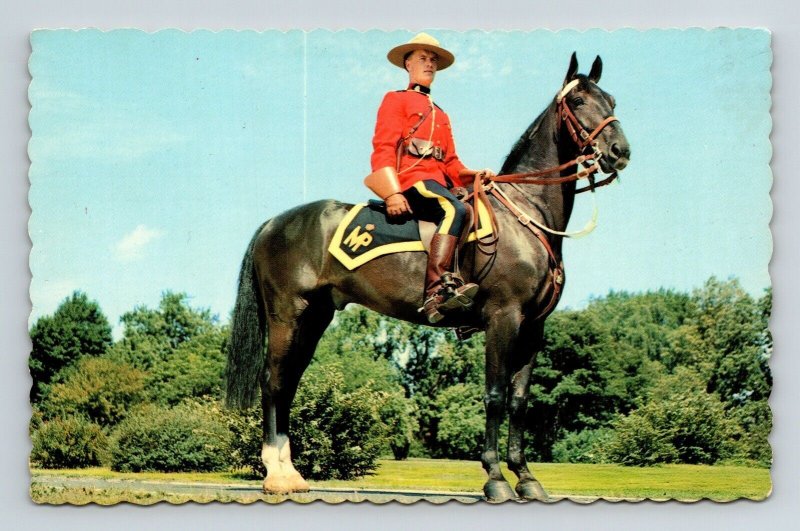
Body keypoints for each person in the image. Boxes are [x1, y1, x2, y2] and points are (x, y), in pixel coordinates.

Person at [364, 32, 495, 324]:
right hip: (412, 182)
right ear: (407, 64)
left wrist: (475, 175)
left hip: (438, 183)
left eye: (433, 60)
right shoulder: (395, 100)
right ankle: (435, 293)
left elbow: (451, 163)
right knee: (456, 209)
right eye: (423, 58)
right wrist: (393, 193)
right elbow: (383, 147)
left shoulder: (441, 114)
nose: (429, 64)